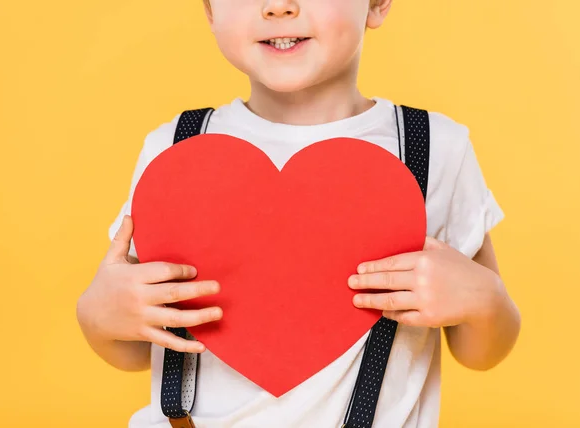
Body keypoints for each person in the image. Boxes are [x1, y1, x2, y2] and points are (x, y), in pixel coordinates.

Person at [76, 1, 522, 427]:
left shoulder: (435, 149)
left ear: (377, 3)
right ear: (210, 10)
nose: (278, 6)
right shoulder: (174, 147)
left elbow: (480, 351)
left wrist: (483, 301)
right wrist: (98, 318)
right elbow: (145, 346)